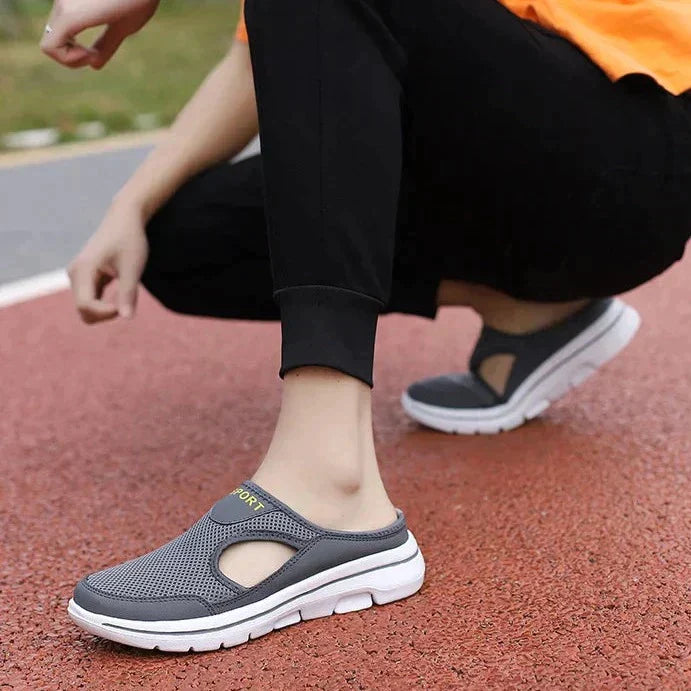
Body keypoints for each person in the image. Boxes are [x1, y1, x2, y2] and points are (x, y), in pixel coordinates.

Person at [42, 0, 690, 651]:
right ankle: (528, 310)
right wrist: (130, 204)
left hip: (634, 136)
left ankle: (329, 481)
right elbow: (261, 58)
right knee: (176, 237)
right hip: (491, 162)